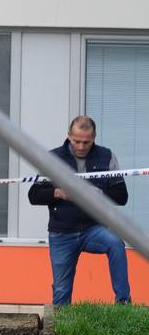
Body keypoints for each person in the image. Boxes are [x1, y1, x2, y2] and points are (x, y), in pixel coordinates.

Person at [27, 115, 131, 305]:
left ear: (94, 138)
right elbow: (33, 195)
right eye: (77, 141)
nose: (81, 146)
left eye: (86, 142)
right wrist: (59, 193)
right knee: (61, 290)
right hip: (62, 232)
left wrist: (98, 193)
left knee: (116, 243)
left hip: (94, 228)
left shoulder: (107, 156)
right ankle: (61, 326)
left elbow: (122, 197)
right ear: (68, 136)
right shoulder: (52, 158)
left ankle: (124, 304)